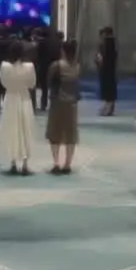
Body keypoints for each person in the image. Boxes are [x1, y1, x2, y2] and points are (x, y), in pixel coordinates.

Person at [0, 46, 38, 175]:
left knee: (12, 129)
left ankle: (13, 163)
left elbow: (3, 83)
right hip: (24, 98)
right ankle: (25, 165)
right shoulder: (29, 67)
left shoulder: (4, 66)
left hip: (10, 99)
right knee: (26, 129)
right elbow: (32, 84)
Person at [46, 40, 82, 175]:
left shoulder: (56, 65)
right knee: (71, 134)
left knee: (55, 133)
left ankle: (56, 163)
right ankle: (67, 164)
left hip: (57, 103)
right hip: (72, 104)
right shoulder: (77, 67)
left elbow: (50, 82)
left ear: (63, 51)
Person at [96, 26, 118, 116]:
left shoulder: (109, 43)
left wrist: (100, 59)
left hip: (107, 69)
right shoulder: (110, 43)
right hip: (108, 69)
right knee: (108, 87)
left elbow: (106, 58)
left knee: (108, 88)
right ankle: (108, 106)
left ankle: (109, 107)